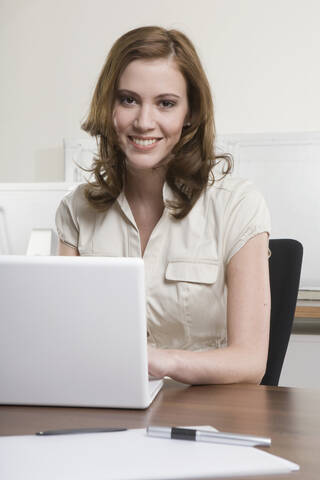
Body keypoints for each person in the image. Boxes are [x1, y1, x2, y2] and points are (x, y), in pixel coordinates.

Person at [55, 26, 271, 385]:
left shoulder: (239, 206)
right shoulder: (76, 210)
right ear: (109, 106)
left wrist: (160, 362)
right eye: (128, 100)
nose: (144, 122)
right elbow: (63, 340)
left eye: (166, 103)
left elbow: (250, 361)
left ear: (190, 112)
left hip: (202, 416)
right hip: (108, 407)